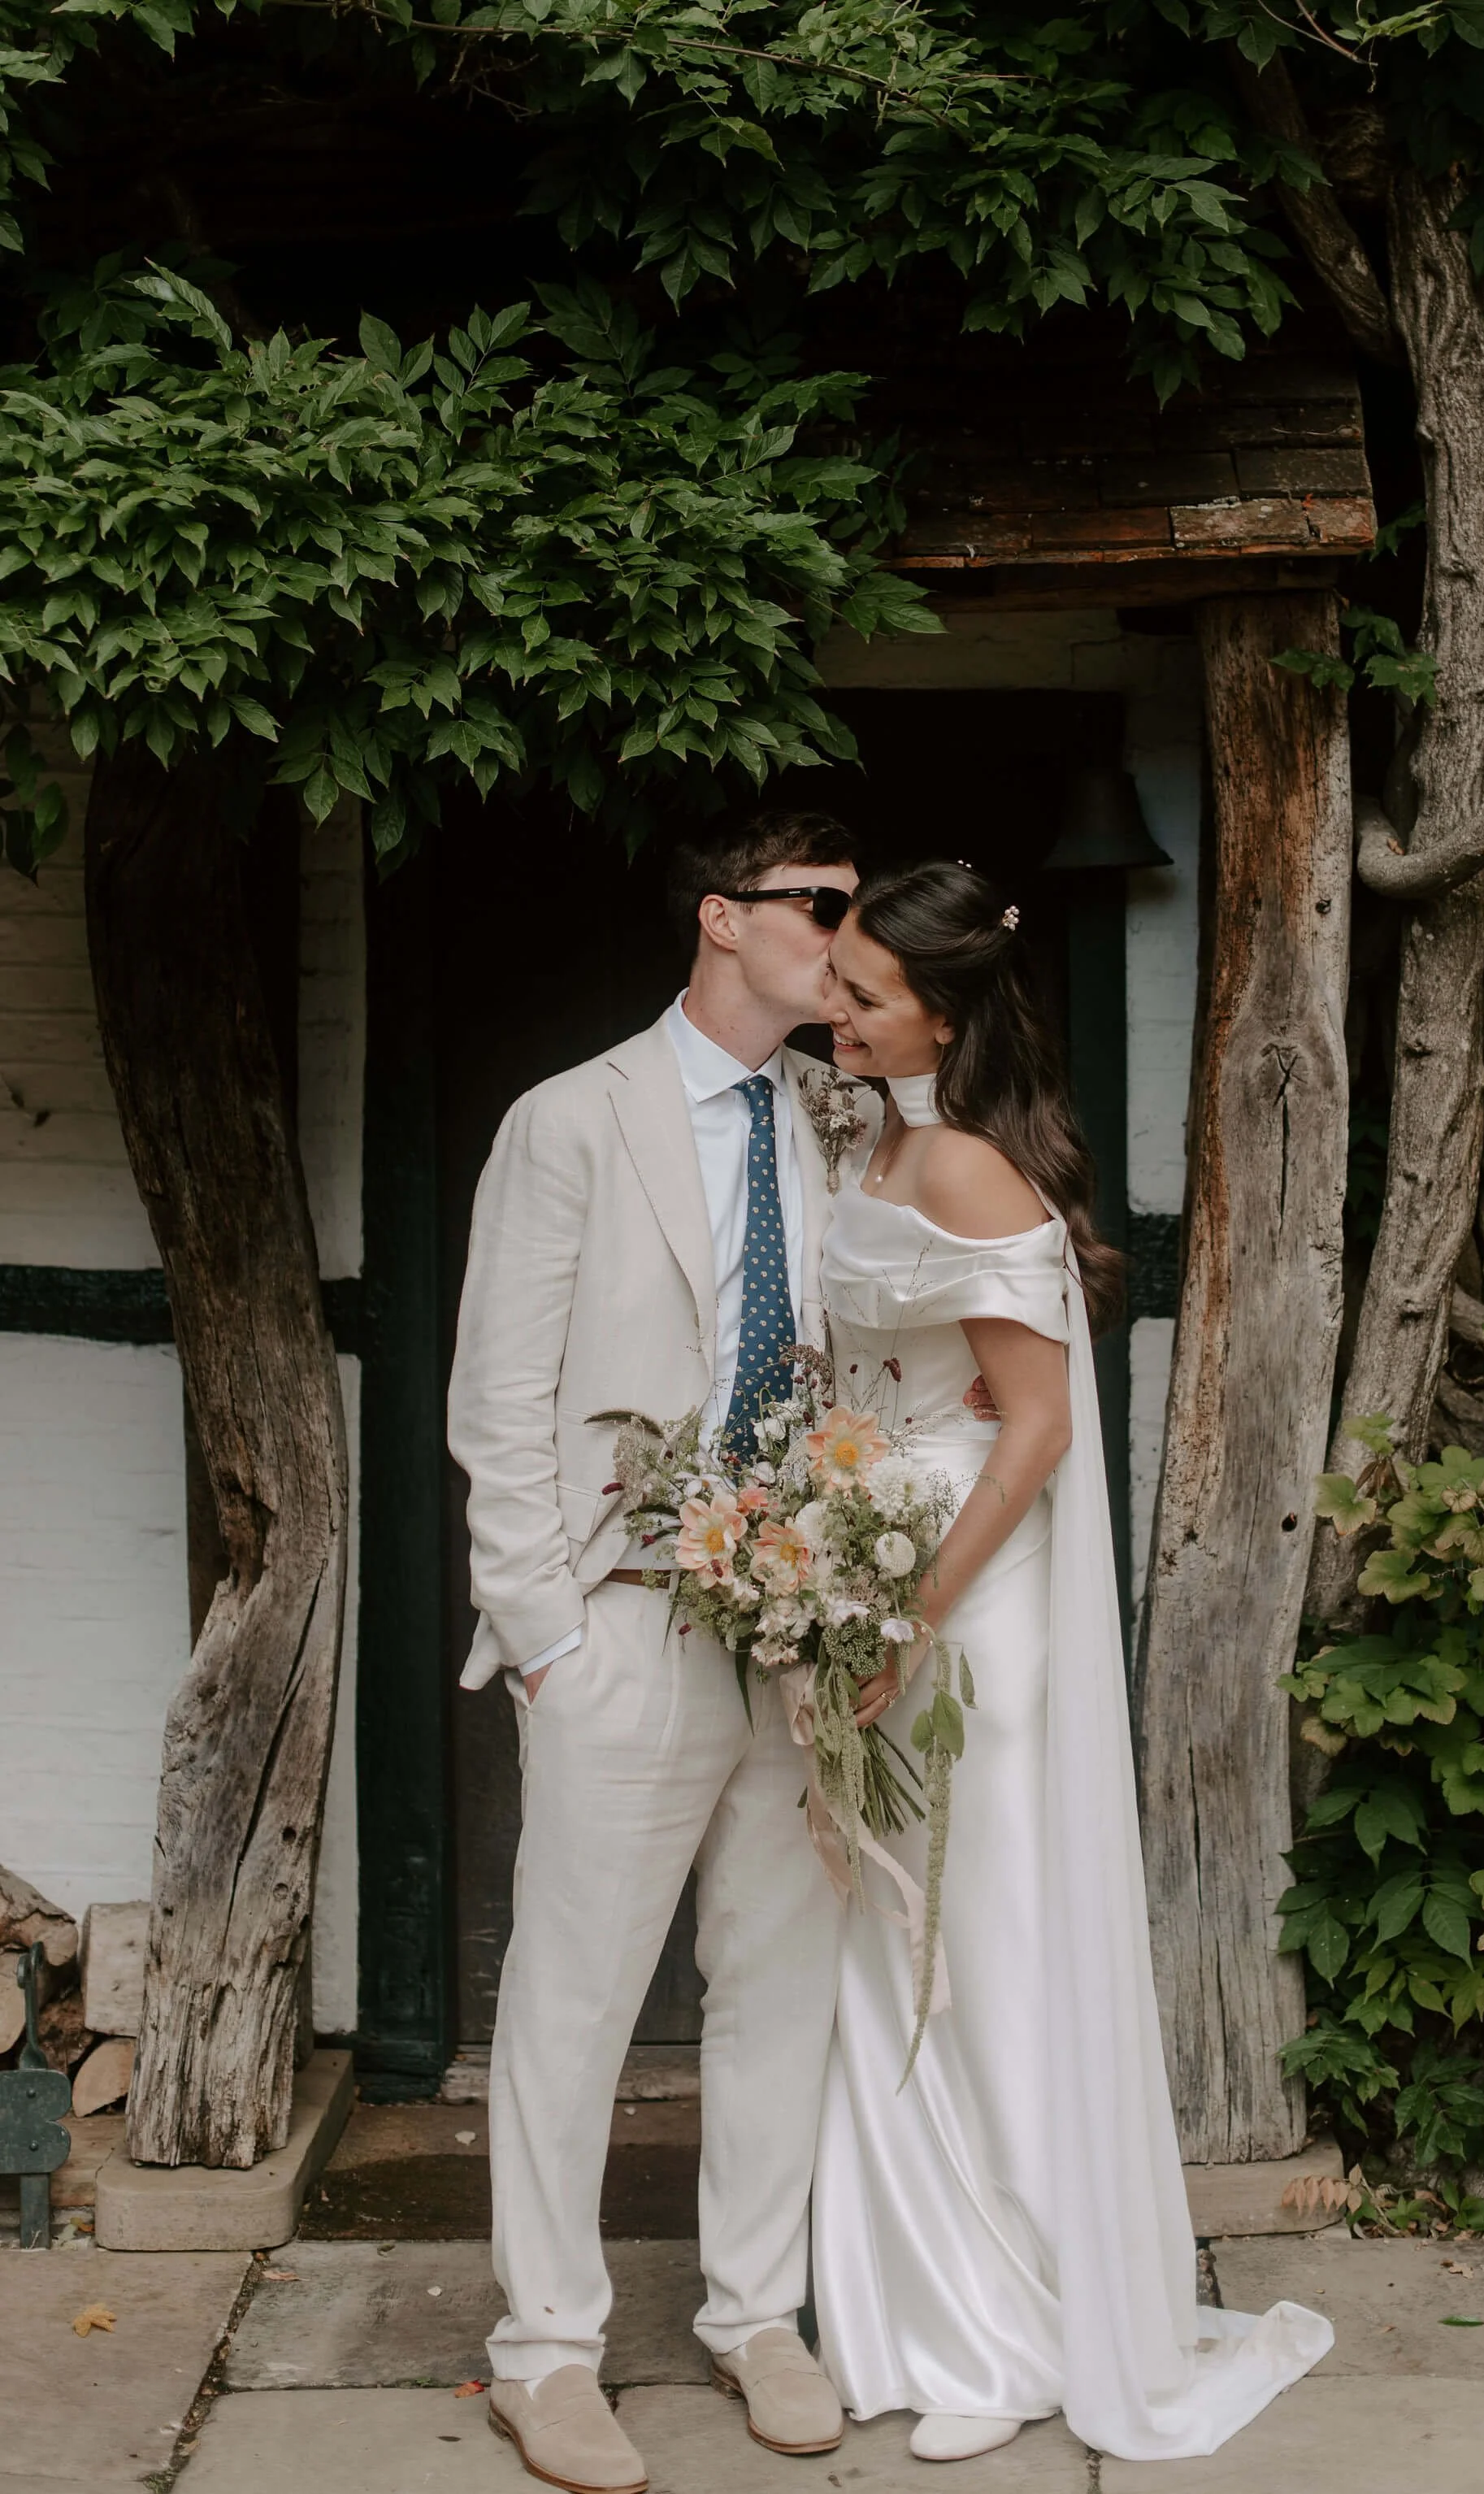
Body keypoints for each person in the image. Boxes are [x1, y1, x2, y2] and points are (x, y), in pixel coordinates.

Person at [810, 859, 1333, 2463]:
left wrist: (903, 1616)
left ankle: (1019, 2319)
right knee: (900, 1954)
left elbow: (1032, 1431)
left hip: (966, 1605)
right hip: (879, 1570)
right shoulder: (887, 1138)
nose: (826, 1011)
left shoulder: (968, 1173)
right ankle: (924, 2303)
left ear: (943, 1018)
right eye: (831, 978)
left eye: (859, 994)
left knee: (989, 1954)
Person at [447, 813, 879, 2492]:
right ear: (723, 917)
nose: (845, 933)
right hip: (624, 1621)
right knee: (574, 2002)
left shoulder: (838, 1121)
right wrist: (549, 1636)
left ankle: (753, 2310)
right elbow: (497, 1395)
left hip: (803, 1627)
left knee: (780, 1986)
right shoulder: (571, 1119)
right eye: (821, 905)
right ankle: (545, 2348)